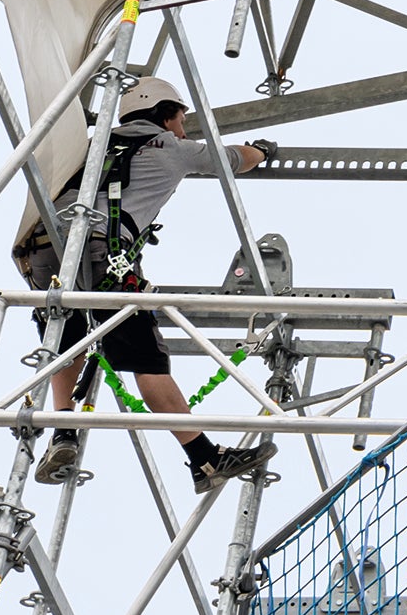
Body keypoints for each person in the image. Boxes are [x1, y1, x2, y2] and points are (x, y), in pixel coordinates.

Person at [14, 76, 277, 490]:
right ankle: (205, 459)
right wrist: (261, 151)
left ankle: (63, 431)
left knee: (68, 336)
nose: (184, 127)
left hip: (42, 249)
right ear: (165, 115)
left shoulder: (92, 145)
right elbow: (229, 159)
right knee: (146, 361)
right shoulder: (166, 147)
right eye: (181, 117)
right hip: (102, 252)